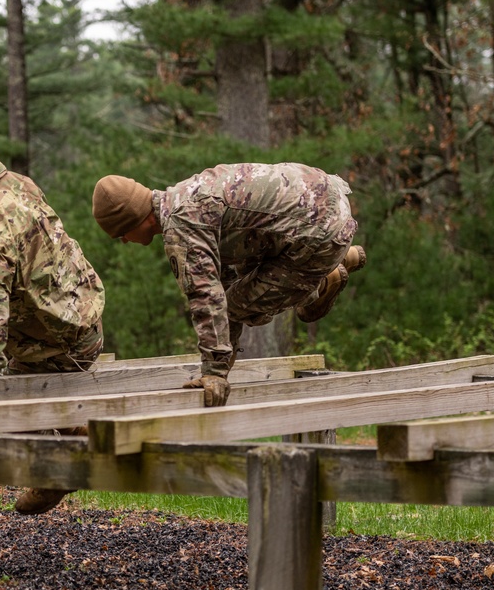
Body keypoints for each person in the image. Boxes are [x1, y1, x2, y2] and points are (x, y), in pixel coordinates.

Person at [0, 118, 105, 515]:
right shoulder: (19, 184)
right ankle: (76, 431)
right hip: (86, 323)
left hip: (53, 345)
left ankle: (54, 471)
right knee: (9, 380)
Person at [91, 163, 365, 408]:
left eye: (121, 233)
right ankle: (332, 263)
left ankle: (323, 277)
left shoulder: (182, 225)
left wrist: (214, 372)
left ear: (137, 219)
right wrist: (224, 361)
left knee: (242, 307)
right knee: (240, 291)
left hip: (319, 230)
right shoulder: (186, 196)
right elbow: (224, 287)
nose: (125, 241)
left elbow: (207, 297)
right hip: (323, 195)